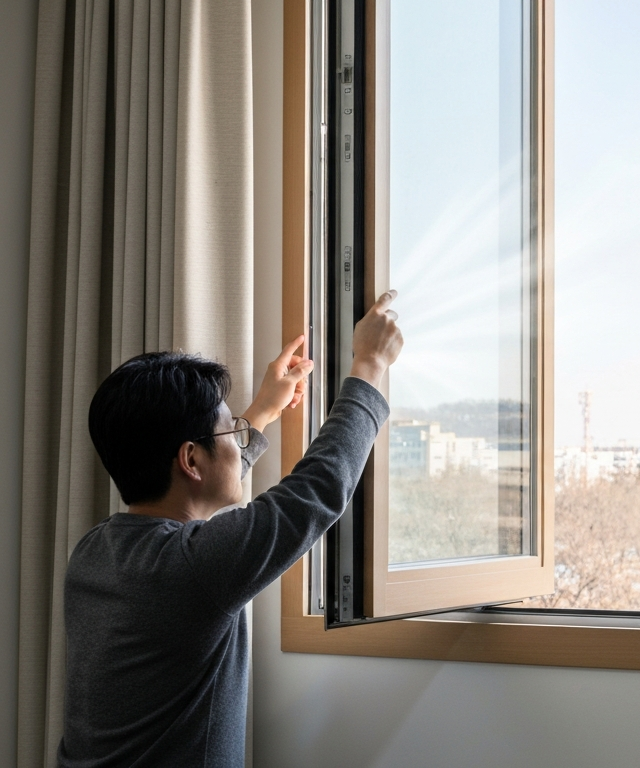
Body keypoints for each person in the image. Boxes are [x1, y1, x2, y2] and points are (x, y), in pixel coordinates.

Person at [57, 291, 403, 768]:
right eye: (229, 432)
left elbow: (200, 485)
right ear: (190, 458)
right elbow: (318, 489)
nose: (238, 440)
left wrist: (260, 413)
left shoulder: (93, 552)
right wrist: (369, 365)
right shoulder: (195, 569)